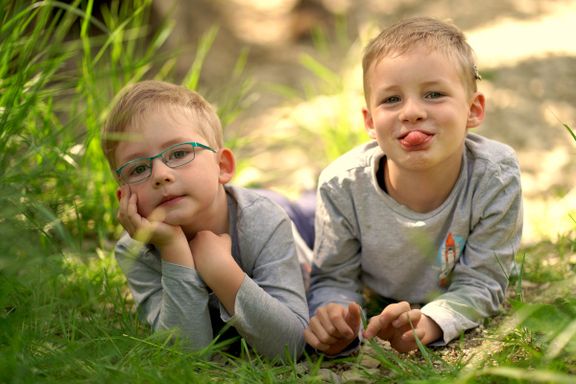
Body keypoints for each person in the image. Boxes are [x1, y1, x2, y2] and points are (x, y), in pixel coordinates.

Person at [304, 16, 523, 355]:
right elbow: (334, 278)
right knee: (289, 217)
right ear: (370, 122)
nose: (412, 112)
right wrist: (337, 315)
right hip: (326, 210)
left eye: (434, 94)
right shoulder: (341, 185)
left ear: (473, 110)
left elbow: (483, 281)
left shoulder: (495, 177)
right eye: (391, 99)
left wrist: (432, 321)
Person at [100, 80, 309, 360]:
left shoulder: (264, 220)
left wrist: (221, 270)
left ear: (222, 166)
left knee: (311, 207)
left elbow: (290, 346)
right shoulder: (135, 251)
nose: (160, 174)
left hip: (295, 220)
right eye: (138, 168)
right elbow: (185, 356)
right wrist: (174, 251)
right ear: (123, 197)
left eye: (179, 153)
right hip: (233, 201)